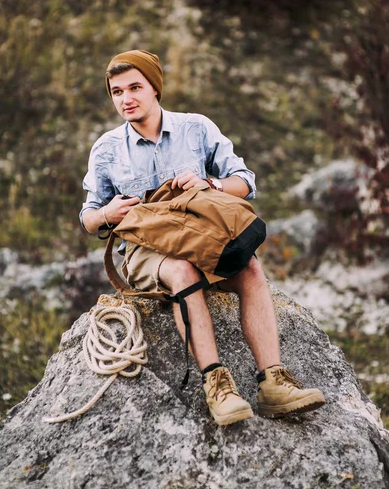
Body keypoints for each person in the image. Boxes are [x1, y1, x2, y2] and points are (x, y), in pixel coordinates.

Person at [80, 50, 326, 426]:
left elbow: (245, 181)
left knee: (250, 268)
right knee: (182, 271)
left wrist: (210, 183)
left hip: (199, 238)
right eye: (116, 92)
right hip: (146, 252)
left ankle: (274, 383)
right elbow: (88, 216)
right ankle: (217, 384)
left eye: (135, 87)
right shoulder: (107, 149)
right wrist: (105, 215)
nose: (125, 99)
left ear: (155, 89)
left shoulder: (196, 128)